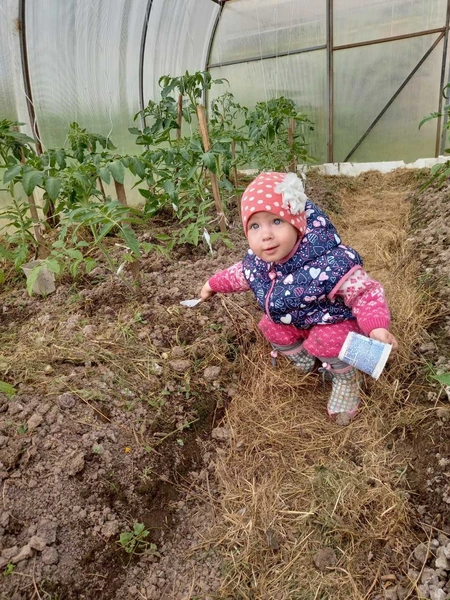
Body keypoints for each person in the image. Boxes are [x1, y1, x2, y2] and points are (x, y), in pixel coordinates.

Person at [200, 171, 398, 421]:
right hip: (294, 321)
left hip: (332, 322)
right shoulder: (258, 262)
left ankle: (346, 378)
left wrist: (376, 327)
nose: (266, 235)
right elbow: (238, 274)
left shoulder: (329, 261)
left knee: (327, 340)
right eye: (254, 225)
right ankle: (306, 360)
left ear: (297, 222)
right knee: (269, 326)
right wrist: (212, 284)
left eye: (276, 221)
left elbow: (365, 291)